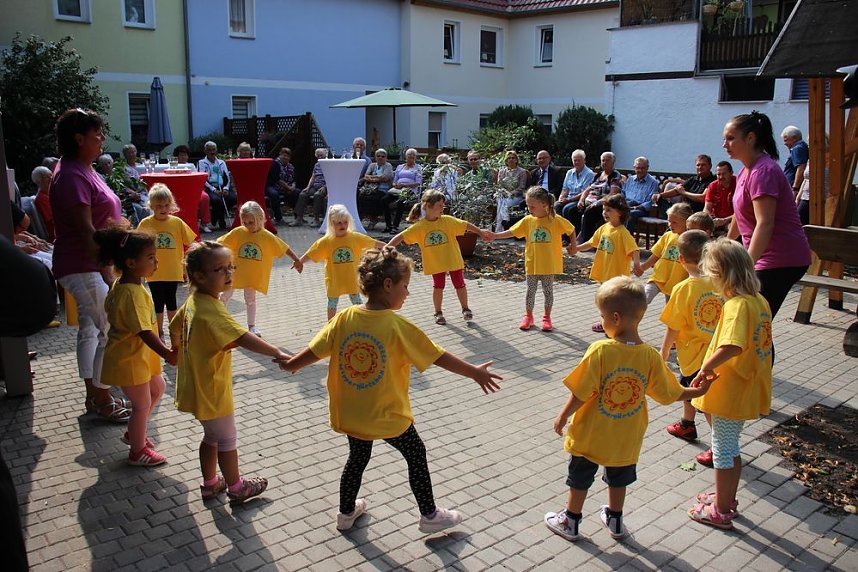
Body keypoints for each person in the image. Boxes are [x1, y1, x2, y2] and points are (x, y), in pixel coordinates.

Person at [278, 247, 501, 532]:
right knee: (416, 454)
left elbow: (314, 350)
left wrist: (291, 365)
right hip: (387, 414)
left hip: (352, 413)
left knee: (357, 459)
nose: (407, 293)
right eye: (405, 286)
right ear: (387, 286)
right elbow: (437, 355)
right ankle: (430, 515)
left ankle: (345, 514)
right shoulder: (397, 325)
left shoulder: (344, 317)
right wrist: (473, 372)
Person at [545, 276, 713, 542]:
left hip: (592, 433)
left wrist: (563, 415)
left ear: (615, 317)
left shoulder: (600, 350)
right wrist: (698, 392)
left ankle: (571, 520)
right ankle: (615, 520)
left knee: (580, 476)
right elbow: (670, 393)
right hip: (627, 435)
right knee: (619, 476)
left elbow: (581, 392)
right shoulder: (650, 356)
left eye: (602, 316)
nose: (601, 322)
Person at [170, 241, 292, 505]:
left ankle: (210, 483)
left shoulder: (195, 300)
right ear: (200, 275)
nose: (229, 274)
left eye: (230, 267)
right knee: (226, 438)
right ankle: (236, 487)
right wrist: (277, 353)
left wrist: (176, 350)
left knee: (212, 436)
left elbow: (175, 324)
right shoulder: (210, 309)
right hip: (211, 387)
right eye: (220, 269)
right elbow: (243, 337)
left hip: (195, 383)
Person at [50, 108, 130, 422]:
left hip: (86, 264)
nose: (102, 139)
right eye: (96, 133)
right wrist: (107, 273)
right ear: (78, 138)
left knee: (91, 330)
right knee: (111, 329)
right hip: (84, 265)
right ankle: (101, 397)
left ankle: (95, 395)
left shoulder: (82, 168)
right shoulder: (70, 174)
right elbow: (86, 231)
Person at [687, 238, 772, 530]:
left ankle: (721, 511)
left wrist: (705, 366)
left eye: (712, 273)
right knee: (730, 447)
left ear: (724, 274)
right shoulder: (758, 301)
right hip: (745, 385)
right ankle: (727, 498)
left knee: (723, 449)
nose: (710, 279)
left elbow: (733, 346)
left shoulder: (737, 305)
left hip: (730, 389)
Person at [93, 226, 176, 466]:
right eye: (150, 257)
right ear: (130, 262)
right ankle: (137, 451)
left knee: (157, 387)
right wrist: (168, 353)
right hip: (129, 358)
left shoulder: (128, 285)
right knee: (141, 405)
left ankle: (134, 433)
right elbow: (144, 332)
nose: (156, 262)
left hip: (137, 357)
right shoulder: (130, 292)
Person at [723, 111, 812, 319]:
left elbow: (765, 223)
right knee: (751, 323)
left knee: (753, 323)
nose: (724, 145)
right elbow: (740, 215)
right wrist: (725, 248)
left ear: (750, 138)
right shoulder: (746, 170)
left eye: (730, 138)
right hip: (765, 257)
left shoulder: (763, 171)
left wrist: (746, 266)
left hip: (780, 260)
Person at [658, 231, 723, 467]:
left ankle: (721, 448)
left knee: (705, 402)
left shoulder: (683, 288)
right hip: (717, 352)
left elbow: (673, 326)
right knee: (690, 390)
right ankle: (687, 425)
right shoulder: (721, 282)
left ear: (680, 259)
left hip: (693, 354)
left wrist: (664, 352)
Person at [485, 187, 577, 332]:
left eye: (532, 206)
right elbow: (512, 231)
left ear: (544, 204)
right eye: (528, 205)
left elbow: (571, 230)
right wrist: (495, 236)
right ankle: (528, 316)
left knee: (548, 291)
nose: (529, 209)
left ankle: (547, 318)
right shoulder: (528, 221)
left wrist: (574, 246)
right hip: (532, 262)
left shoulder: (555, 220)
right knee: (530, 291)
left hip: (548, 264)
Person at [388, 189, 484, 325]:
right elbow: (401, 236)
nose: (442, 208)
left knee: (460, 284)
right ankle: (438, 312)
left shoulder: (448, 221)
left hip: (453, 260)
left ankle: (465, 309)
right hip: (436, 263)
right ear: (427, 206)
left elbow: (466, 225)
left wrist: (480, 232)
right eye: (439, 205)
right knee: (438, 286)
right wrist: (388, 248)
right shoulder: (420, 227)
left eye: (443, 205)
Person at [217, 201, 302, 336]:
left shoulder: (266, 236)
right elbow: (220, 242)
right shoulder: (238, 232)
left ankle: (251, 327)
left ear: (261, 219)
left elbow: (283, 247)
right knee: (224, 296)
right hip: (234, 272)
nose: (247, 226)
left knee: (250, 300)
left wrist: (296, 259)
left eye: (251, 222)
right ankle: (219, 322)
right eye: (244, 222)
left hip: (252, 275)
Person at [299, 204, 385, 320]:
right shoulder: (327, 241)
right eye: (338, 223)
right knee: (332, 303)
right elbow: (312, 252)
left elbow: (373, 242)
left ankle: (363, 320)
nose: (342, 225)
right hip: (334, 279)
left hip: (351, 278)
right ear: (331, 223)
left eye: (345, 222)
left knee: (357, 302)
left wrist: (388, 246)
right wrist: (300, 261)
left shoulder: (354, 237)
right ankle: (330, 325)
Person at [137, 184, 197, 339]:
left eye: (166, 205)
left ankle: (174, 330)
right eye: (158, 206)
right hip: (153, 271)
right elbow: (136, 245)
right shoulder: (145, 223)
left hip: (172, 270)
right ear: (151, 206)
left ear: (171, 205)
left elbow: (191, 242)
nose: (163, 209)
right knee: (157, 302)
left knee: (171, 301)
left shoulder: (177, 222)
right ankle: (159, 332)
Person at [577, 194, 640, 333]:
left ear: (620, 213)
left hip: (616, 276)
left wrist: (637, 264)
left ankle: (616, 325)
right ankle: (605, 321)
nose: (604, 213)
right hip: (604, 272)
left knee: (614, 302)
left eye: (609, 210)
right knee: (604, 300)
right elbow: (592, 242)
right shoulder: (604, 228)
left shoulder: (623, 233)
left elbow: (634, 249)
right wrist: (577, 248)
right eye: (604, 210)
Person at [634, 203, 693, 304]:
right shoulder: (667, 236)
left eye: (674, 222)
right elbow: (656, 255)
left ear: (687, 222)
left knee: (670, 312)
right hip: (659, 276)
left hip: (677, 280)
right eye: (669, 221)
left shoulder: (691, 239)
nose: (670, 225)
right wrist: (642, 267)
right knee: (642, 300)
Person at [574, 152, 625, 244]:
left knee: (589, 212)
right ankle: (572, 238)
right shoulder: (598, 175)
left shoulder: (615, 176)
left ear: (613, 163)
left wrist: (596, 203)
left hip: (604, 204)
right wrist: (581, 200)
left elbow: (613, 193)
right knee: (571, 210)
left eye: (607, 161)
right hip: (589, 201)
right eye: (603, 160)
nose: (604, 163)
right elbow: (587, 189)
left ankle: (586, 241)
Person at [174, 144, 213, 233]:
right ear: (177, 156)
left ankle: (204, 223)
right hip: (179, 191)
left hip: (193, 189)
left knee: (205, 197)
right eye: (181, 155)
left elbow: (197, 179)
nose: (184, 157)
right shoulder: (172, 165)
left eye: (185, 155)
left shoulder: (191, 165)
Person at [386, 148, 423, 235]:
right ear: (405, 156)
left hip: (410, 190)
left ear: (415, 157)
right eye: (409, 155)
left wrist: (404, 185)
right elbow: (394, 180)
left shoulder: (418, 168)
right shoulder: (400, 167)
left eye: (413, 155)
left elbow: (418, 183)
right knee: (384, 200)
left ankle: (395, 226)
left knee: (400, 201)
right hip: (397, 189)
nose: (411, 156)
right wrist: (396, 184)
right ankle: (388, 225)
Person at [198, 141, 234, 230]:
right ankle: (221, 219)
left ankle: (215, 215)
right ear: (205, 151)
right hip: (209, 188)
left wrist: (225, 188)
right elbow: (203, 179)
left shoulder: (221, 162)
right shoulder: (202, 162)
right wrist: (214, 190)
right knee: (216, 199)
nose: (212, 152)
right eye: (209, 150)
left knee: (232, 198)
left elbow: (226, 177)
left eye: (213, 150)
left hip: (222, 186)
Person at [494, 150, 529, 232]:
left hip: (517, 196)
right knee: (502, 201)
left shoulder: (522, 172)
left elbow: (522, 187)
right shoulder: (502, 171)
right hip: (503, 195)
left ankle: (499, 229)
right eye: (509, 158)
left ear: (516, 160)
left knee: (503, 203)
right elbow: (499, 186)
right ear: (506, 160)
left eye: (513, 158)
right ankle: (504, 223)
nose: (511, 159)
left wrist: (512, 193)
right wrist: (505, 192)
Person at [556, 149, 595, 222]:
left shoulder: (589, 174)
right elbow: (565, 189)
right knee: (556, 206)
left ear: (584, 160)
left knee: (567, 209)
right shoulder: (569, 172)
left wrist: (569, 200)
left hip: (579, 200)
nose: (576, 162)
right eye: (575, 160)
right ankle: (559, 230)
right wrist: (561, 197)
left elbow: (584, 192)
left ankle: (570, 231)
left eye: (579, 160)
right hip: (568, 198)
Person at [623, 156, 660, 232]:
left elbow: (651, 202)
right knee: (613, 211)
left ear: (647, 168)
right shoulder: (630, 179)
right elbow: (623, 193)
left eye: (642, 168)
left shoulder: (653, 182)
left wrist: (636, 207)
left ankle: (627, 239)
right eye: (637, 168)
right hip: (627, 205)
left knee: (630, 214)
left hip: (641, 210)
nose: (640, 170)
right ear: (634, 167)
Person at [293, 148, 329, 226]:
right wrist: (308, 187)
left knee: (317, 195)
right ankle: (299, 218)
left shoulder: (329, 164)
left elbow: (331, 177)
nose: (320, 157)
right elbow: (313, 177)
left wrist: (325, 187)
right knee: (303, 194)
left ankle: (316, 219)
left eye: (322, 155)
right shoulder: (316, 165)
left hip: (325, 187)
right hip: (315, 185)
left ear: (325, 155)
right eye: (318, 156)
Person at [362, 148, 394, 228]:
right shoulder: (372, 165)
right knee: (361, 197)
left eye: (383, 156)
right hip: (370, 189)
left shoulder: (388, 166)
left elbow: (385, 178)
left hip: (383, 189)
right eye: (378, 156)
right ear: (375, 157)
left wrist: (372, 178)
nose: (380, 158)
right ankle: (368, 217)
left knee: (375, 198)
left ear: (386, 158)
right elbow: (366, 176)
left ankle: (374, 218)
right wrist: (378, 178)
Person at [265, 147, 297, 225]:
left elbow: (294, 179)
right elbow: (277, 179)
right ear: (280, 155)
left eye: (287, 156)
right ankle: (278, 218)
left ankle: (298, 217)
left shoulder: (291, 166)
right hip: (274, 186)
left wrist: (293, 186)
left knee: (297, 192)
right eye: (283, 155)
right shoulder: (275, 164)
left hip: (287, 187)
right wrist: (288, 187)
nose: (285, 157)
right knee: (274, 194)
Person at [703, 161, 736, 232]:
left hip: (732, 220)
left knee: (732, 228)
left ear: (731, 173)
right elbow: (707, 208)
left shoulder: (739, 184)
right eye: (718, 174)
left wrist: (725, 220)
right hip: (715, 220)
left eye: (724, 174)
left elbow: (742, 211)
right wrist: (711, 220)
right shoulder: (713, 185)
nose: (721, 177)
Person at [781, 125, 808, 195]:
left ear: (794, 138)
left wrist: (795, 188)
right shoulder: (802, 147)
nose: (784, 143)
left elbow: (801, 168)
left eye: (786, 140)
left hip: (795, 189)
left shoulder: (797, 148)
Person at [31, 165, 55, 242]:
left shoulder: (49, 195)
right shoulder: (41, 199)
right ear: (38, 181)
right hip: (56, 235)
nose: (51, 178)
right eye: (47, 177)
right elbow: (53, 220)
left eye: (51, 175)